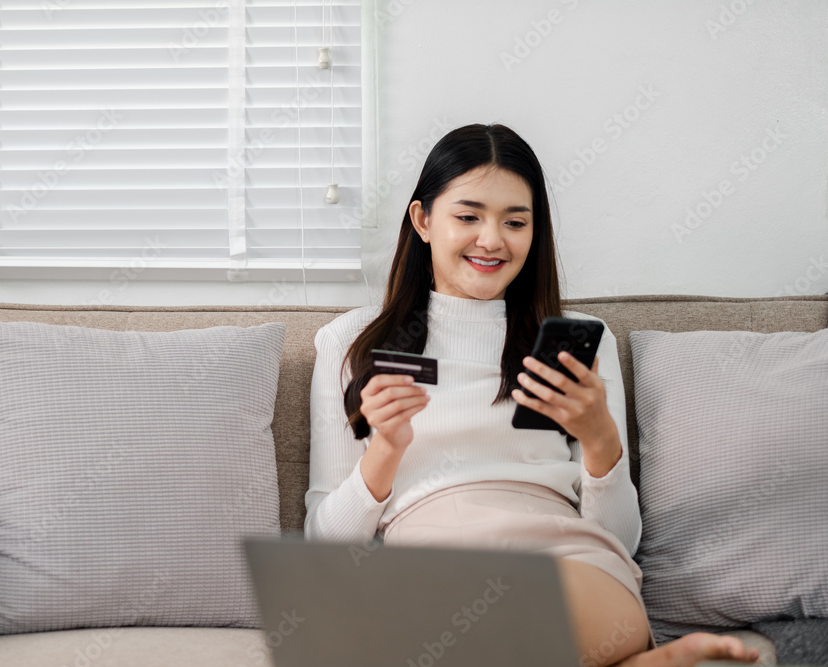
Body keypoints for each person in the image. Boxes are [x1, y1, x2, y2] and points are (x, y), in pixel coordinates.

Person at [304, 123, 761, 667]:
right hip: (433, 568)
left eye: (515, 221)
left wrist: (598, 439)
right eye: (468, 216)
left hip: (567, 563)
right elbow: (325, 549)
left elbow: (619, 537)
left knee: (511, 620)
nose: (492, 240)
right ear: (423, 220)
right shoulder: (350, 343)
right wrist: (385, 450)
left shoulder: (580, 341)